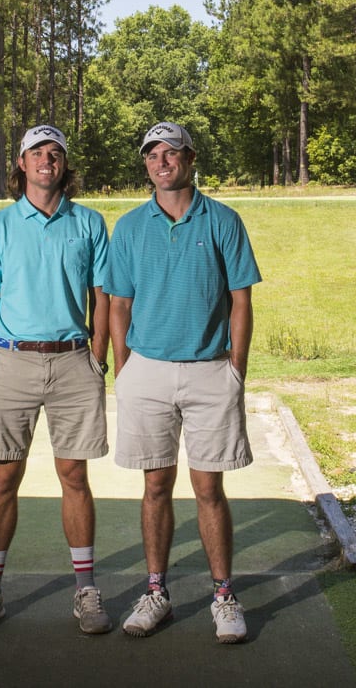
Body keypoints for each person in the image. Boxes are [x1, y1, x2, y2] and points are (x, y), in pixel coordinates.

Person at [106, 121, 261, 644]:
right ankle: (157, 592)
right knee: (154, 486)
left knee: (209, 488)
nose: (161, 162)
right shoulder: (128, 227)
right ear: (146, 164)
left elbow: (241, 300)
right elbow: (118, 305)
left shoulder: (222, 219)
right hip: (145, 372)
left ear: (190, 160)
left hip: (210, 370)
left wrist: (236, 368)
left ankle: (223, 595)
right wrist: (123, 369)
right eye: (152, 155)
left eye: (171, 153)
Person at [0, 124, 113, 636]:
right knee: (5, 477)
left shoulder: (89, 223)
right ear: (21, 164)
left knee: (75, 476)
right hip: (12, 365)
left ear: (64, 165)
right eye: (37, 153)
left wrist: (97, 357)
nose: (47, 161)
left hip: (73, 363)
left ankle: (86, 591)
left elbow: (103, 298)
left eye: (55, 154)